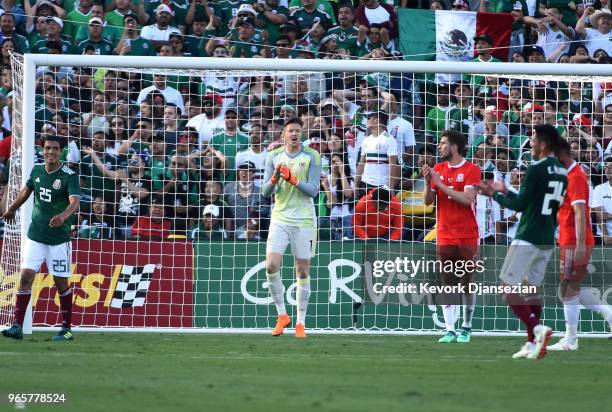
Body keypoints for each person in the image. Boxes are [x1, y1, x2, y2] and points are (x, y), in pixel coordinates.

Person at [477, 124, 568, 359]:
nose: (531, 142)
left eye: (534, 139)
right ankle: (531, 344)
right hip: (547, 237)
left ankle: (536, 328)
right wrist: (506, 190)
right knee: (531, 289)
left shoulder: (536, 168)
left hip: (527, 235)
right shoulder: (561, 171)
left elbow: (519, 206)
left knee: (506, 288)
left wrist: (494, 194)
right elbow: (535, 203)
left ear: (544, 144)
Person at [2, 135, 80, 341]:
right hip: (35, 235)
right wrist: (11, 209)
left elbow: (74, 202)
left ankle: (66, 328)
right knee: (26, 277)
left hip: (58, 239)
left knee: (60, 283)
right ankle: (17, 325)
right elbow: (27, 190)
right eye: (47, 148)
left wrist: (62, 216)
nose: (51, 152)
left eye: (55, 148)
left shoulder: (69, 175)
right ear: (42, 149)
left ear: (61, 151)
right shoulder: (37, 170)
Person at [548, 140, 612, 350]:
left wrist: (581, 244)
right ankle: (607, 313)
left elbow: (580, 213)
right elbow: (564, 211)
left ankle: (571, 339)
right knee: (570, 286)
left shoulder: (575, 177)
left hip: (575, 241)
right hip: (568, 239)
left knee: (567, 287)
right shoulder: (566, 175)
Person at [261, 118, 321, 338]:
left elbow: (314, 191)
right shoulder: (273, 156)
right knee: (270, 265)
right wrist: (276, 178)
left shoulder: (312, 156)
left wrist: (294, 180)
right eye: (290, 131)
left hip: (304, 219)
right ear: (283, 135)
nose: (294, 134)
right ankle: (282, 315)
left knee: (302, 270)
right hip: (280, 218)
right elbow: (265, 193)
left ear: (301, 134)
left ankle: (300, 323)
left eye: (297, 131)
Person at [423, 130, 481, 344]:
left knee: (466, 283)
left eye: (443, 143)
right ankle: (450, 330)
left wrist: (439, 184)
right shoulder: (438, 169)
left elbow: (467, 199)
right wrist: (429, 181)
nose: (439, 147)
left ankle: (466, 327)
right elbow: (427, 202)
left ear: (455, 147)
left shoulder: (472, 170)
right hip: (445, 234)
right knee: (447, 283)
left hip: (467, 234)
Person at [354, 111, 400, 197]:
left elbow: (393, 165)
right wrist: (356, 184)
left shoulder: (389, 139)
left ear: (377, 120)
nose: (366, 121)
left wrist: (391, 187)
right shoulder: (366, 140)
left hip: (381, 185)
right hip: (365, 183)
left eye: (368, 118)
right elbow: (361, 163)